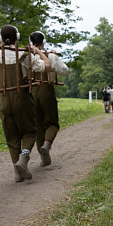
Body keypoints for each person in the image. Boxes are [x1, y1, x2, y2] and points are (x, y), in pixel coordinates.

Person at [0, 25, 49, 182]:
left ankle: (17, 172)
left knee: (11, 136)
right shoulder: (24, 55)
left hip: (4, 100)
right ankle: (23, 159)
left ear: (0, 38)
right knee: (29, 131)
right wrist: (38, 54)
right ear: (17, 37)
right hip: (22, 99)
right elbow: (44, 67)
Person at [29, 31, 69, 167]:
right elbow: (65, 70)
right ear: (43, 42)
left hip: (32, 92)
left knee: (38, 125)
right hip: (47, 90)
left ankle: (43, 157)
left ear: (30, 42)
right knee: (52, 122)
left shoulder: (26, 56)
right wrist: (54, 57)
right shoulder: (50, 56)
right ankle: (46, 145)